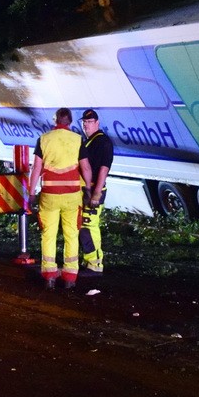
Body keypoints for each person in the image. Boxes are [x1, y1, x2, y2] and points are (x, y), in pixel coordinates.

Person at [27, 107, 92, 289]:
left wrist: (32, 193)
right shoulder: (78, 140)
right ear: (70, 122)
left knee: (48, 234)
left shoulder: (44, 139)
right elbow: (86, 168)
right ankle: (70, 277)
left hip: (50, 196)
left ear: (55, 121)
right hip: (72, 196)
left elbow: (36, 169)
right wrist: (88, 188)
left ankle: (49, 276)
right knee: (71, 234)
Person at [78, 109, 113, 276]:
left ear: (97, 123)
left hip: (94, 191)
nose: (86, 125)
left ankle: (95, 264)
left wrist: (97, 193)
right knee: (85, 225)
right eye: (84, 122)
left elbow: (103, 169)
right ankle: (90, 260)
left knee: (88, 226)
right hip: (88, 190)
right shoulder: (89, 141)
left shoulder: (103, 142)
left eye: (89, 122)